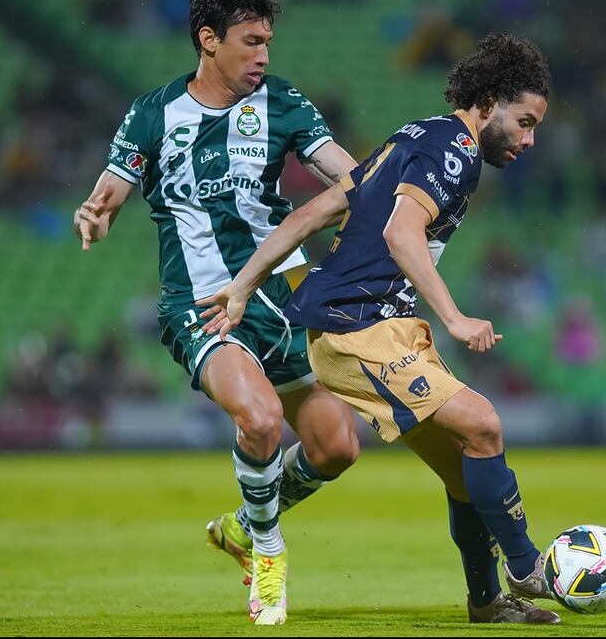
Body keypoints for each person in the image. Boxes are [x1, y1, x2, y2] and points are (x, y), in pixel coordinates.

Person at [198, 33, 562, 624]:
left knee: (467, 466)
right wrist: (455, 317)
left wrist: (242, 287)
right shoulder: (454, 151)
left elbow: (312, 213)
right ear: (489, 101)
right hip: (358, 327)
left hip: (371, 327)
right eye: (523, 122)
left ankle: (487, 601)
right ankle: (525, 567)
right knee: (484, 424)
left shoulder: (412, 136)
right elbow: (401, 233)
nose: (529, 139)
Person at [72, 0, 361, 626]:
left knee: (337, 447)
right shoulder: (154, 113)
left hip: (283, 293)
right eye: (250, 41)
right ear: (209, 40)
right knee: (259, 420)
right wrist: (94, 215)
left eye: (268, 42)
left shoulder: (283, 104)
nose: (263, 55)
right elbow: (109, 192)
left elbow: (345, 171)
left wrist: (378, 194)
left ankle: (240, 524)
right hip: (201, 301)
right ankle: (266, 550)